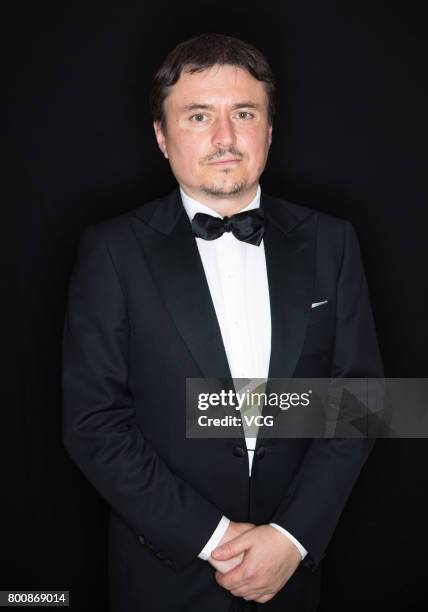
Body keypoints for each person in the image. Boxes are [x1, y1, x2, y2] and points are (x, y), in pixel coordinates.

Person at [62, 33, 383, 612]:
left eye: (243, 113)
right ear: (162, 137)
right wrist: (213, 538)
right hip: (164, 576)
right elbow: (92, 423)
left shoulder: (333, 242)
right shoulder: (110, 250)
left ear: (268, 128)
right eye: (198, 116)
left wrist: (291, 538)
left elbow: (360, 403)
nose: (224, 138)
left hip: (293, 575)